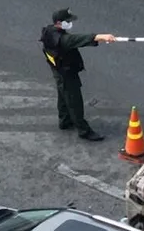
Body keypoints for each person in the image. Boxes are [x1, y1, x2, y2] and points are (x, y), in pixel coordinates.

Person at [39, 9, 115, 142]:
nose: (70, 23)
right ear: (59, 22)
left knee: (63, 95)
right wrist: (102, 37)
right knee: (74, 101)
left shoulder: (49, 31)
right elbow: (79, 39)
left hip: (57, 69)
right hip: (66, 72)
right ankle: (84, 130)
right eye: (68, 21)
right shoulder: (64, 39)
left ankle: (64, 120)